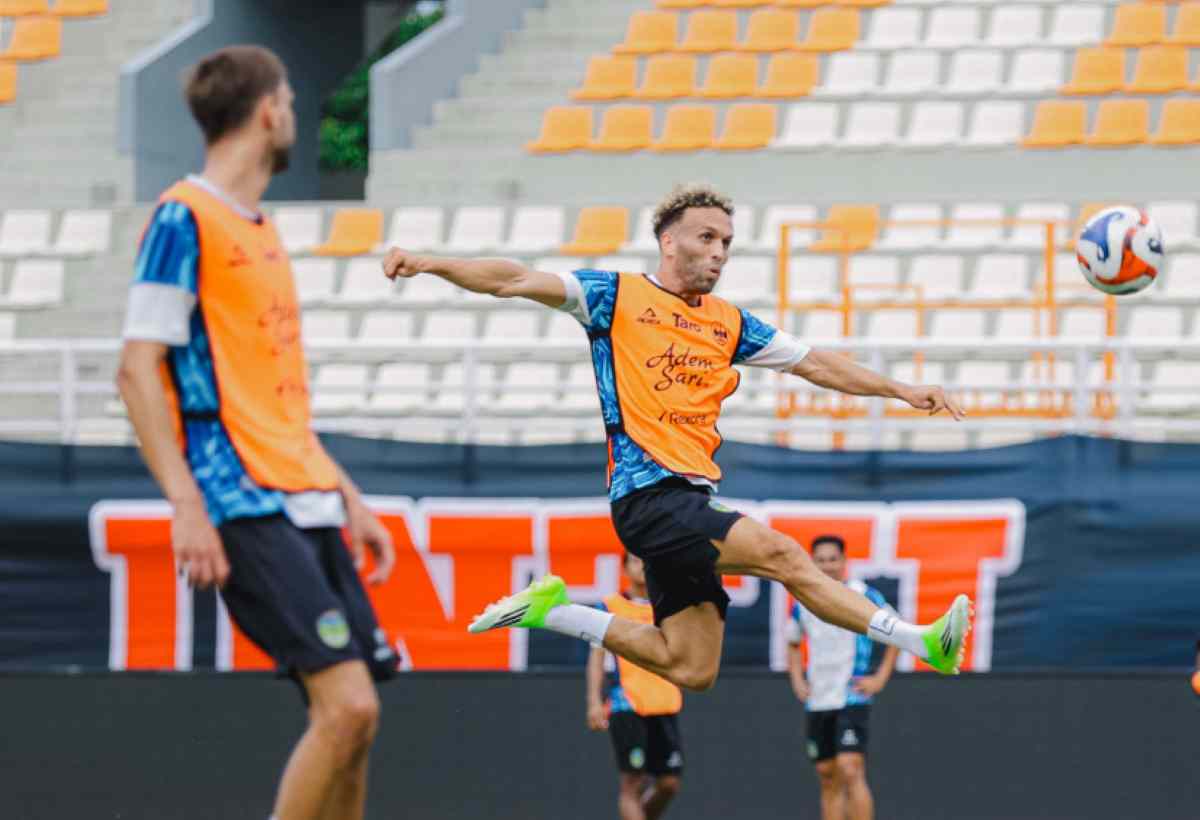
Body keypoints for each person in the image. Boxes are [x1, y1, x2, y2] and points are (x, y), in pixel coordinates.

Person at [382, 183, 972, 692]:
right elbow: (512, 279)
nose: (718, 252)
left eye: (727, 243)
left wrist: (901, 389)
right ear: (669, 241)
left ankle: (556, 613)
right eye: (706, 238)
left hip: (690, 500)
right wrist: (428, 262)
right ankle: (920, 641)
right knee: (784, 556)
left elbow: (815, 363)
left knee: (691, 667)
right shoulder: (613, 296)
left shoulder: (728, 321)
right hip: (648, 498)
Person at [116, 46, 397, 820]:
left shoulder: (262, 230)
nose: (294, 116)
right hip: (239, 498)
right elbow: (136, 370)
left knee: (357, 721)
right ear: (269, 111)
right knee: (347, 708)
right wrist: (187, 505)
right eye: (292, 104)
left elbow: (273, 398)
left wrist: (347, 496)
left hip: (303, 492)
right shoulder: (183, 218)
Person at [788, 535, 897, 820]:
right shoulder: (804, 599)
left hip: (851, 696)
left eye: (833, 559)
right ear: (812, 563)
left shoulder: (864, 595)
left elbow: (897, 631)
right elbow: (793, 641)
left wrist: (880, 677)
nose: (827, 566)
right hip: (819, 698)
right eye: (821, 560)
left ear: (844, 561)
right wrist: (797, 679)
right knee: (827, 774)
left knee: (851, 768)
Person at [587, 553, 684, 820]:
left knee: (669, 783)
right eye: (635, 560)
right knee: (633, 782)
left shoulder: (668, 606)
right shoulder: (610, 607)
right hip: (627, 702)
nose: (642, 566)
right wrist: (594, 702)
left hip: (664, 701)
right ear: (625, 568)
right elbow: (597, 658)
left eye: (647, 561)